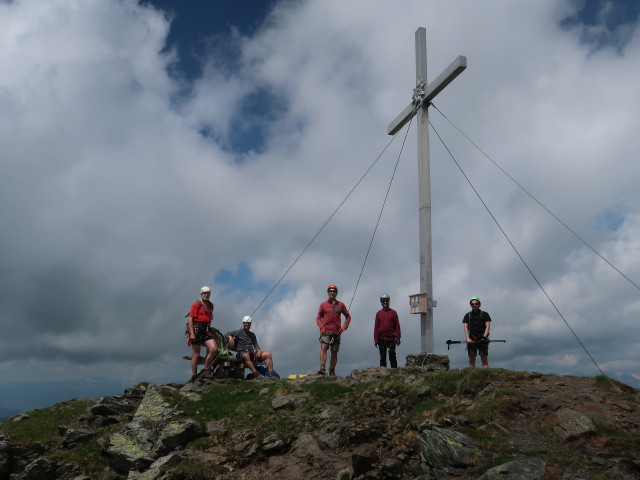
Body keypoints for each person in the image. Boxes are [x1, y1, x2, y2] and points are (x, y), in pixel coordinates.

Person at [316, 284, 351, 376]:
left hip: (336, 331)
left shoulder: (341, 305)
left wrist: (344, 327)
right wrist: (321, 327)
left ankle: (332, 370)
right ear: (328, 292)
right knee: (324, 348)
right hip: (325, 331)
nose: (332, 293)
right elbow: (318, 318)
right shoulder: (323, 305)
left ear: (336, 293)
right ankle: (322, 367)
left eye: (334, 291)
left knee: (334, 351)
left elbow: (348, 316)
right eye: (330, 291)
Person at [187, 286, 219, 381]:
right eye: (204, 293)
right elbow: (190, 319)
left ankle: (205, 370)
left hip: (206, 329)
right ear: (201, 294)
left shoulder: (211, 305)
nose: (206, 295)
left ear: (210, 294)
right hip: (196, 329)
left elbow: (208, 318)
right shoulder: (196, 304)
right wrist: (192, 333)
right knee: (196, 353)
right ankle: (194, 375)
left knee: (214, 348)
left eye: (208, 293)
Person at [462, 296, 492, 368]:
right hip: (471, 339)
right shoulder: (467, 315)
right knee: (471, 359)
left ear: (479, 304)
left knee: (484, 359)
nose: (474, 305)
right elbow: (465, 327)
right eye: (472, 304)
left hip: (482, 339)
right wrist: (467, 338)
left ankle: (485, 377)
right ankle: (472, 377)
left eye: (476, 303)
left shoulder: (485, 314)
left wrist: (484, 337)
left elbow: (487, 326)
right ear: (470, 305)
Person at [374, 293, 401, 368]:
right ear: (381, 302)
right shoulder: (378, 313)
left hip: (391, 339)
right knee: (382, 357)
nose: (385, 302)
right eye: (383, 301)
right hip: (381, 339)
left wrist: (398, 338)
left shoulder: (393, 313)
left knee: (392, 356)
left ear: (389, 301)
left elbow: (397, 326)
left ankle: (394, 374)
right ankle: (383, 375)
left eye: (386, 301)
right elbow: (376, 327)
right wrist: (376, 339)